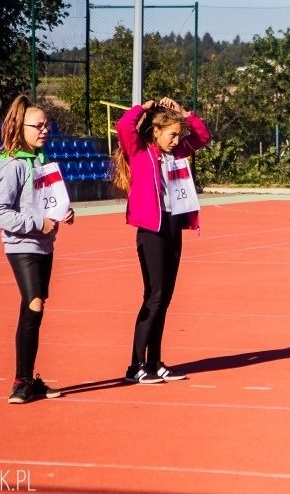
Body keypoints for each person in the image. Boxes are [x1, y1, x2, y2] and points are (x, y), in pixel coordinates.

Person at [113, 97, 211, 384]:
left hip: (172, 226)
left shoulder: (178, 153)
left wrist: (183, 113)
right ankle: (135, 365)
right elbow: (123, 127)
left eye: (178, 134)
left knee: (165, 298)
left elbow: (202, 135)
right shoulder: (140, 151)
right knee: (154, 297)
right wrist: (142, 109)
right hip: (151, 231)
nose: (176, 139)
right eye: (171, 134)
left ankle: (154, 361)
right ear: (156, 132)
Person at [0, 94, 75, 404]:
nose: (44, 130)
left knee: (34, 307)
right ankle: (21, 383)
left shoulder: (41, 161)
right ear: (19, 127)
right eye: (38, 125)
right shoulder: (14, 167)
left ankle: (29, 378)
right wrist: (38, 222)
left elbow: (50, 201)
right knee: (34, 302)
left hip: (45, 246)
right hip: (22, 244)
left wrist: (64, 212)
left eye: (47, 125)